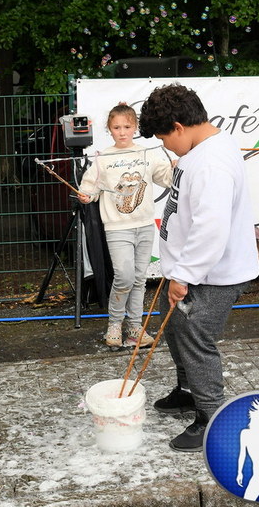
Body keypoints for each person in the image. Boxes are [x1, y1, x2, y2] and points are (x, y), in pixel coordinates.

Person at [138, 83, 259, 452]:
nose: (166, 146)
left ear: (178, 127)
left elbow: (211, 228)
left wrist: (183, 275)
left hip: (213, 274)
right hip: (190, 268)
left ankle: (211, 417)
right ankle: (188, 390)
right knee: (175, 326)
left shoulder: (211, 163)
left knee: (194, 335)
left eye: (164, 139)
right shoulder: (200, 151)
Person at [78, 103, 174, 349]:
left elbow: (165, 178)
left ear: (135, 127)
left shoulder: (147, 154)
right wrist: (86, 195)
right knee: (124, 277)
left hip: (145, 225)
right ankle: (114, 324)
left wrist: (175, 168)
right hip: (117, 228)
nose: (122, 132)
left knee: (139, 279)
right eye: (117, 127)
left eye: (127, 127)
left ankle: (134, 328)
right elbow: (91, 187)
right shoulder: (103, 158)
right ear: (109, 129)